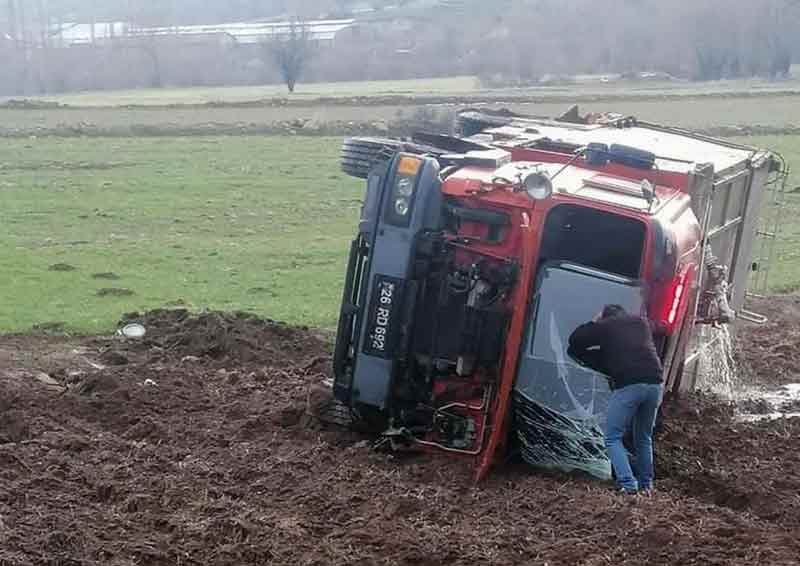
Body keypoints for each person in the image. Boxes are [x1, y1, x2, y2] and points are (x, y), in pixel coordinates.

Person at [568, 304, 665, 494]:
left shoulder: (607, 326)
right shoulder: (641, 322)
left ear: (606, 317)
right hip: (655, 384)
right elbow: (659, 327)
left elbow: (575, 340)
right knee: (643, 438)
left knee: (612, 438)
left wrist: (595, 321)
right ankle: (646, 485)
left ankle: (628, 484)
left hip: (630, 385)